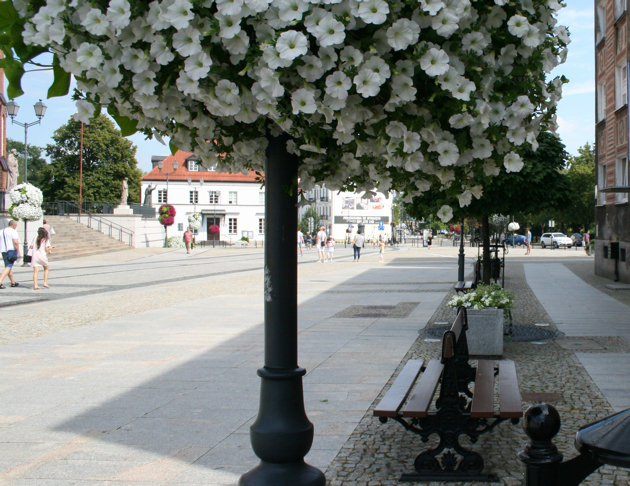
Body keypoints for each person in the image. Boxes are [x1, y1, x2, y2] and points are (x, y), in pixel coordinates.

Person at [0, 220, 20, 289]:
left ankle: (13, 282)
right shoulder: (13, 231)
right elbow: (15, 242)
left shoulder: (1, 231)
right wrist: (17, 250)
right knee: (8, 266)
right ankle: (0, 281)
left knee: (8, 266)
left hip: (3, 250)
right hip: (11, 250)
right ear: (14, 225)